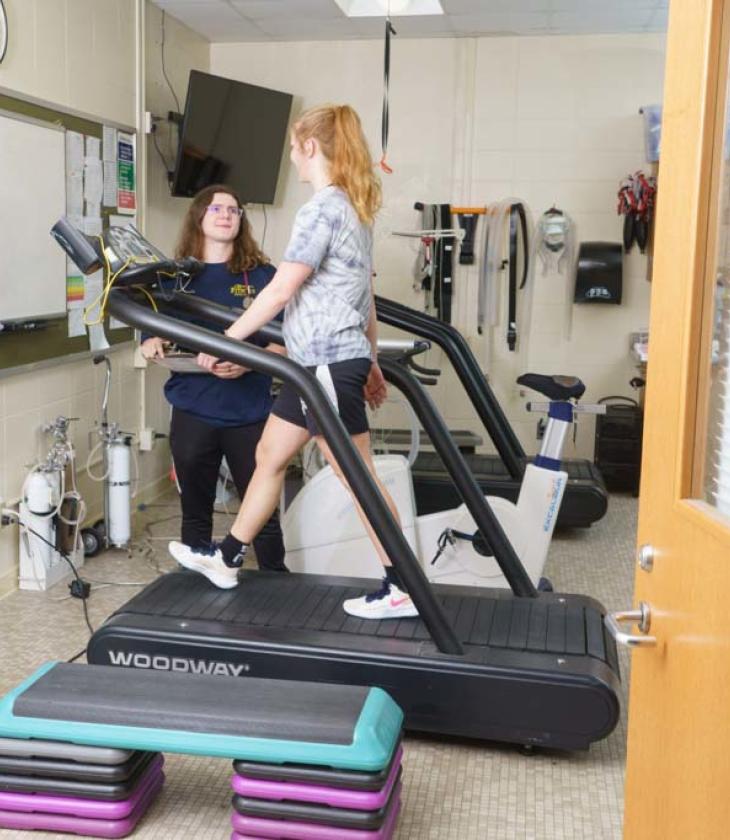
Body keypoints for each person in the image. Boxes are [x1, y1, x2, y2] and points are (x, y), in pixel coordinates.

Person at [169, 104, 417, 620]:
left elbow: (282, 287)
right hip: (320, 365)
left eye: (293, 147)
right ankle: (229, 556)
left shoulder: (322, 208)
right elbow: (362, 299)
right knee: (269, 456)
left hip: (323, 364)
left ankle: (403, 585)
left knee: (358, 479)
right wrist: (369, 362)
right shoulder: (353, 208)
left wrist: (224, 340)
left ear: (310, 147)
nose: (290, 156)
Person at [141, 184, 287, 572]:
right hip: (193, 408)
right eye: (216, 209)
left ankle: (278, 583)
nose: (226, 215)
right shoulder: (174, 278)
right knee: (194, 511)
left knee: (264, 516)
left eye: (234, 210)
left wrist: (249, 361)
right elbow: (151, 334)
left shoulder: (264, 276)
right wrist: (151, 342)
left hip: (249, 412)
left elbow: (287, 345)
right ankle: (198, 584)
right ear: (199, 218)